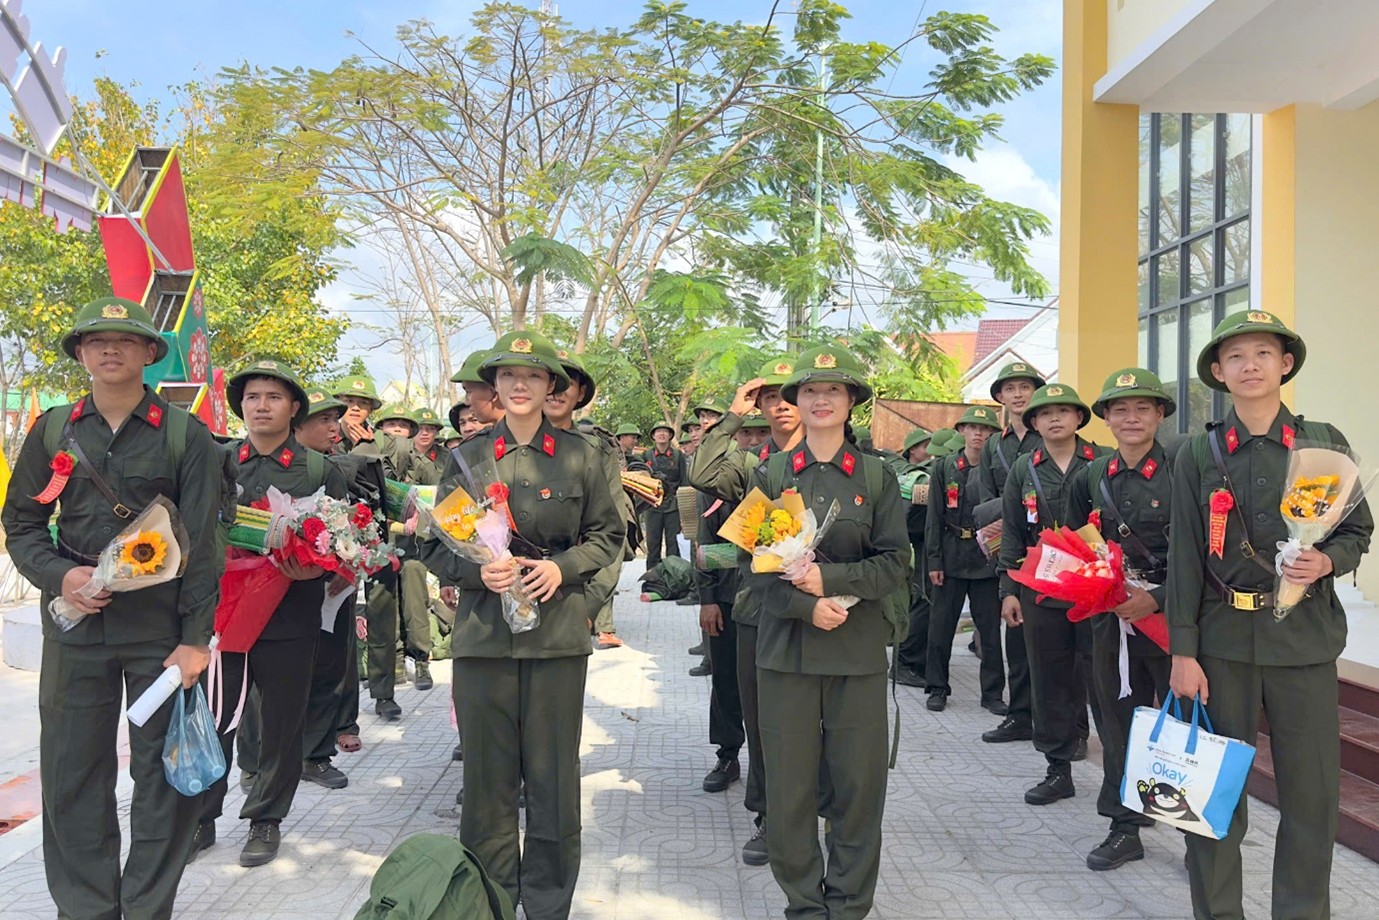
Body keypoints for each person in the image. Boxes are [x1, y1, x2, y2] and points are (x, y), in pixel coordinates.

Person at [2, 297, 221, 919]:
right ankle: (88, 909)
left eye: (125, 340)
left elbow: (204, 544)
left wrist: (195, 639)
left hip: (159, 635)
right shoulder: (53, 430)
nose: (109, 350)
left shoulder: (184, 435)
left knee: (164, 779)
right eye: (96, 340)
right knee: (71, 775)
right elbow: (21, 524)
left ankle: (147, 908)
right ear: (80, 354)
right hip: (76, 630)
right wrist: (61, 576)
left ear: (149, 352)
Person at [1165, 310, 1372, 919]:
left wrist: (1326, 561)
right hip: (1220, 646)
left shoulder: (1322, 443)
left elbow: (1356, 529)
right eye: (1235, 356)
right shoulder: (1196, 454)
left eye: (1262, 353)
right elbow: (1184, 557)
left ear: (1285, 364)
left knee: (1312, 797)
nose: (1249, 365)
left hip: (1303, 643)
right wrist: (1183, 651)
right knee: (1212, 794)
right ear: (1218, 371)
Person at [418, 331, 623, 919]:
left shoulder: (583, 455)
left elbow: (608, 535)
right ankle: (492, 899)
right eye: (507, 375)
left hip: (557, 637)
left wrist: (561, 569)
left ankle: (549, 902)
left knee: (553, 777)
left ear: (551, 385)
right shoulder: (467, 458)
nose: (519, 385)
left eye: (532, 375)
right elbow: (435, 545)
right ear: (493, 387)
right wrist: (480, 573)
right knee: (487, 782)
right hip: (484, 638)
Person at [748, 343, 908, 919]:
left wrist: (830, 579)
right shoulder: (770, 472)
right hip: (786, 654)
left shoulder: (876, 475)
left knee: (858, 790)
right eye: (810, 390)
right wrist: (803, 606)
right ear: (796, 400)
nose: (821, 399)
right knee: (789, 791)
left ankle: (848, 904)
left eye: (833, 390)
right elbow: (752, 568)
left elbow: (895, 562)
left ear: (851, 401)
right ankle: (804, 905)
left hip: (855, 652)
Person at [199, 360, 350, 868]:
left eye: (273, 397)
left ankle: (266, 818)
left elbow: (344, 540)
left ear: (293, 408)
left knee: (283, 722)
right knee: (216, 717)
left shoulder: (318, 470)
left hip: (290, 613)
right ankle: (201, 817)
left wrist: (318, 568)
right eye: (252, 397)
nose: (261, 406)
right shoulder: (218, 460)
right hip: (224, 615)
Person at [689, 354, 804, 866]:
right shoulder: (750, 465)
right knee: (760, 720)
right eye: (769, 398)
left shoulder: (841, 460)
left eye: (788, 395)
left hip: (820, 610)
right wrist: (732, 415)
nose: (780, 406)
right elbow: (700, 472)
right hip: (757, 609)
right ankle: (768, 815)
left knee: (815, 722)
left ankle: (819, 811)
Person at [1065, 368, 1175, 872]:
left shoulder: (1182, 471)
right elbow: (1074, 543)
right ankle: (1123, 826)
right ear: (1106, 418)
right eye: (1120, 409)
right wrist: (1101, 591)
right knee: (1117, 725)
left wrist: (1160, 599)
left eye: (1143, 408)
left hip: (1173, 624)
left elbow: (1203, 552)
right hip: (1113, 624)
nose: (1132, 418)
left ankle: (1197, 836)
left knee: (1181, 727)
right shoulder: (1091, 477)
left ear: (1159, 415)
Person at [998, 384, 1108, 807]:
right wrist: (1009, 590)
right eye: (1046, 413)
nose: (1055, 418)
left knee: (1105, 681)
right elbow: (1012, 530)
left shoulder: (1102, 461)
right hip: (1041, 589)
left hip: (1097, 589)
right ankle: (1058, 769)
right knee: (1049, 679)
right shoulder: (1023, 469)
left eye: (1064, 411)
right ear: (1034, 423)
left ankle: (1121, 780)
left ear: (1079, 418)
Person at [976, 362, 1047, 745]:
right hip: (1013, 550)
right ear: (1000, 397)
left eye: (1025, 387)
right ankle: (1019, 715)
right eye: (1010, 388)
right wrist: (1008, 516)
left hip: (1051, 551)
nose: (1018, 395)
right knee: (1015, 638)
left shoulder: (1048, 433)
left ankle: (1063, 725)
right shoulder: (993, 445)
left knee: (1058, 645)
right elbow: (984, 501)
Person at [333, 376, 408, 721]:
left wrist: (365, 448)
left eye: (362, 403)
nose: (355, 408)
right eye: (348, 401)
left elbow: (392, 484)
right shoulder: (325, 432)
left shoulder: (386, 442)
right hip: (333, 542)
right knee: (339, 622)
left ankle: (384, 693)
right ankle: (342, 707)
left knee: (381, 616)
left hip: (377, 538)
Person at [546, 349, 631, 650]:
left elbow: (612, 535)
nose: (556, 391)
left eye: (567, 383)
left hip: (572, 597)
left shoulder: (597, 453)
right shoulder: (502, 447)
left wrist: (588, 607)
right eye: (550, 381)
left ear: (581, 393)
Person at [925, 405, 1006, 714]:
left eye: (985, 429)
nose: (978, 434)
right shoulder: (945, 467)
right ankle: (937, 688)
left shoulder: (998, 469)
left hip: (986, 558)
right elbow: (934, 516)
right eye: (972, 428)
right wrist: (934, 560)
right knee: (941, 628)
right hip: (951, 554)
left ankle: (992, 693)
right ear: (961, 431)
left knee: (990, 631)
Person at [892, 426, 935, 689]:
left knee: (924, 601)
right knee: (923, 601)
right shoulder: (916, 477)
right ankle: (904, 663)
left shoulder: (911, 473)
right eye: (924, 445)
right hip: (920, 546)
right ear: (911, 450)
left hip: (922, 544)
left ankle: (911, 662)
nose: (929, 450)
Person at [641, 422, 687, 568]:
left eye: (665, 431)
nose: (661, 434)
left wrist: (685, 509)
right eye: (658, 431)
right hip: (652, 505)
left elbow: (684, 482)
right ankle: (652, 577)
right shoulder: (646, 455)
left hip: (673, 506)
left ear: (670, 435)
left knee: (673, 546)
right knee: (653, 545)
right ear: (653, 436)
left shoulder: (678, 455)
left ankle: (673, 576)